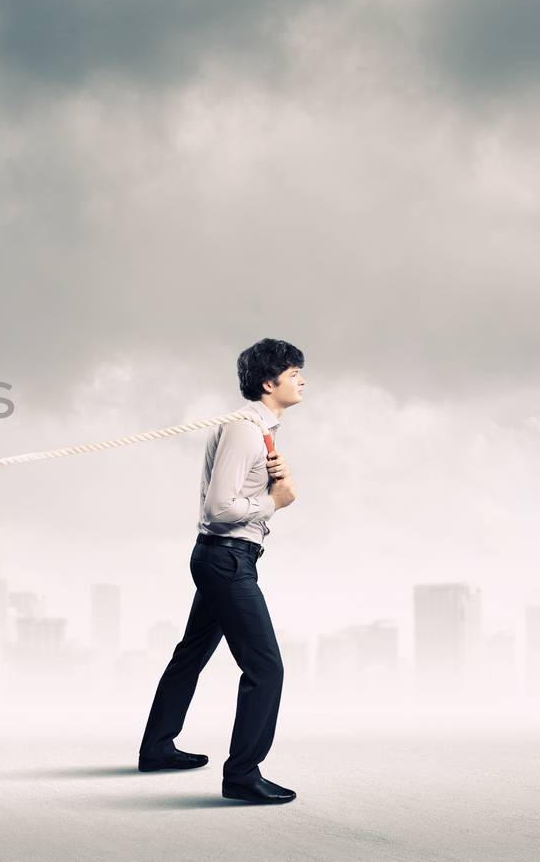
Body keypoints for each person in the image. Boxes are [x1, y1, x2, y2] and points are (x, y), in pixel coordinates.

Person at [136, 339, 305, 804]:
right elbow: (220, 508)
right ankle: (242, 776)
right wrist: (277, 501)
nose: (302, 380)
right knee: (266, 668)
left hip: (225, 558)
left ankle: (156, 748)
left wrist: (272, 486)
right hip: (226, 558)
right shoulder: (245, 430)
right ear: (268, 383)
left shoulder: (257, 429)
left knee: (191, 654)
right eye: (293, 373)